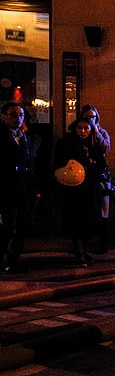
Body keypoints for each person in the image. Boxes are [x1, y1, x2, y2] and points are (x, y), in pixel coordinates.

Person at [53, 117, 107, 266]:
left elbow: (101, 163)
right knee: (77, 221)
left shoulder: (93, 145)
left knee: (90, 221)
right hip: (74, 190)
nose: (83, 131)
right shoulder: (66, 144)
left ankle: (84, 249)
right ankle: (79, 252)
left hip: (90, 188)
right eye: (80, 128)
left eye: (86, 128)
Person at [0, 102, 39, 273]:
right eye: (13, 115)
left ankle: (13, 257)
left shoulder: (27, 137)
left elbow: (31, 160)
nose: (18, 118)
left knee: (24, 225)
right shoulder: (2, 136)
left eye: (21, 115)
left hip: (25, 187)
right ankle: (3, 257)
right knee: (8, 226)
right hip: (7, 186)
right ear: (4, 116)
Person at [79, 103, 112, 254]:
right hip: (84, 176)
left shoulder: (102, 132)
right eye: (88, 117)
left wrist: (97, 132)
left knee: (103, 211)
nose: (91, 120)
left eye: (93, 117)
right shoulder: (80, 130)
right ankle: (84, 244)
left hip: (100, 176)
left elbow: (106, 148)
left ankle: (103, 243)